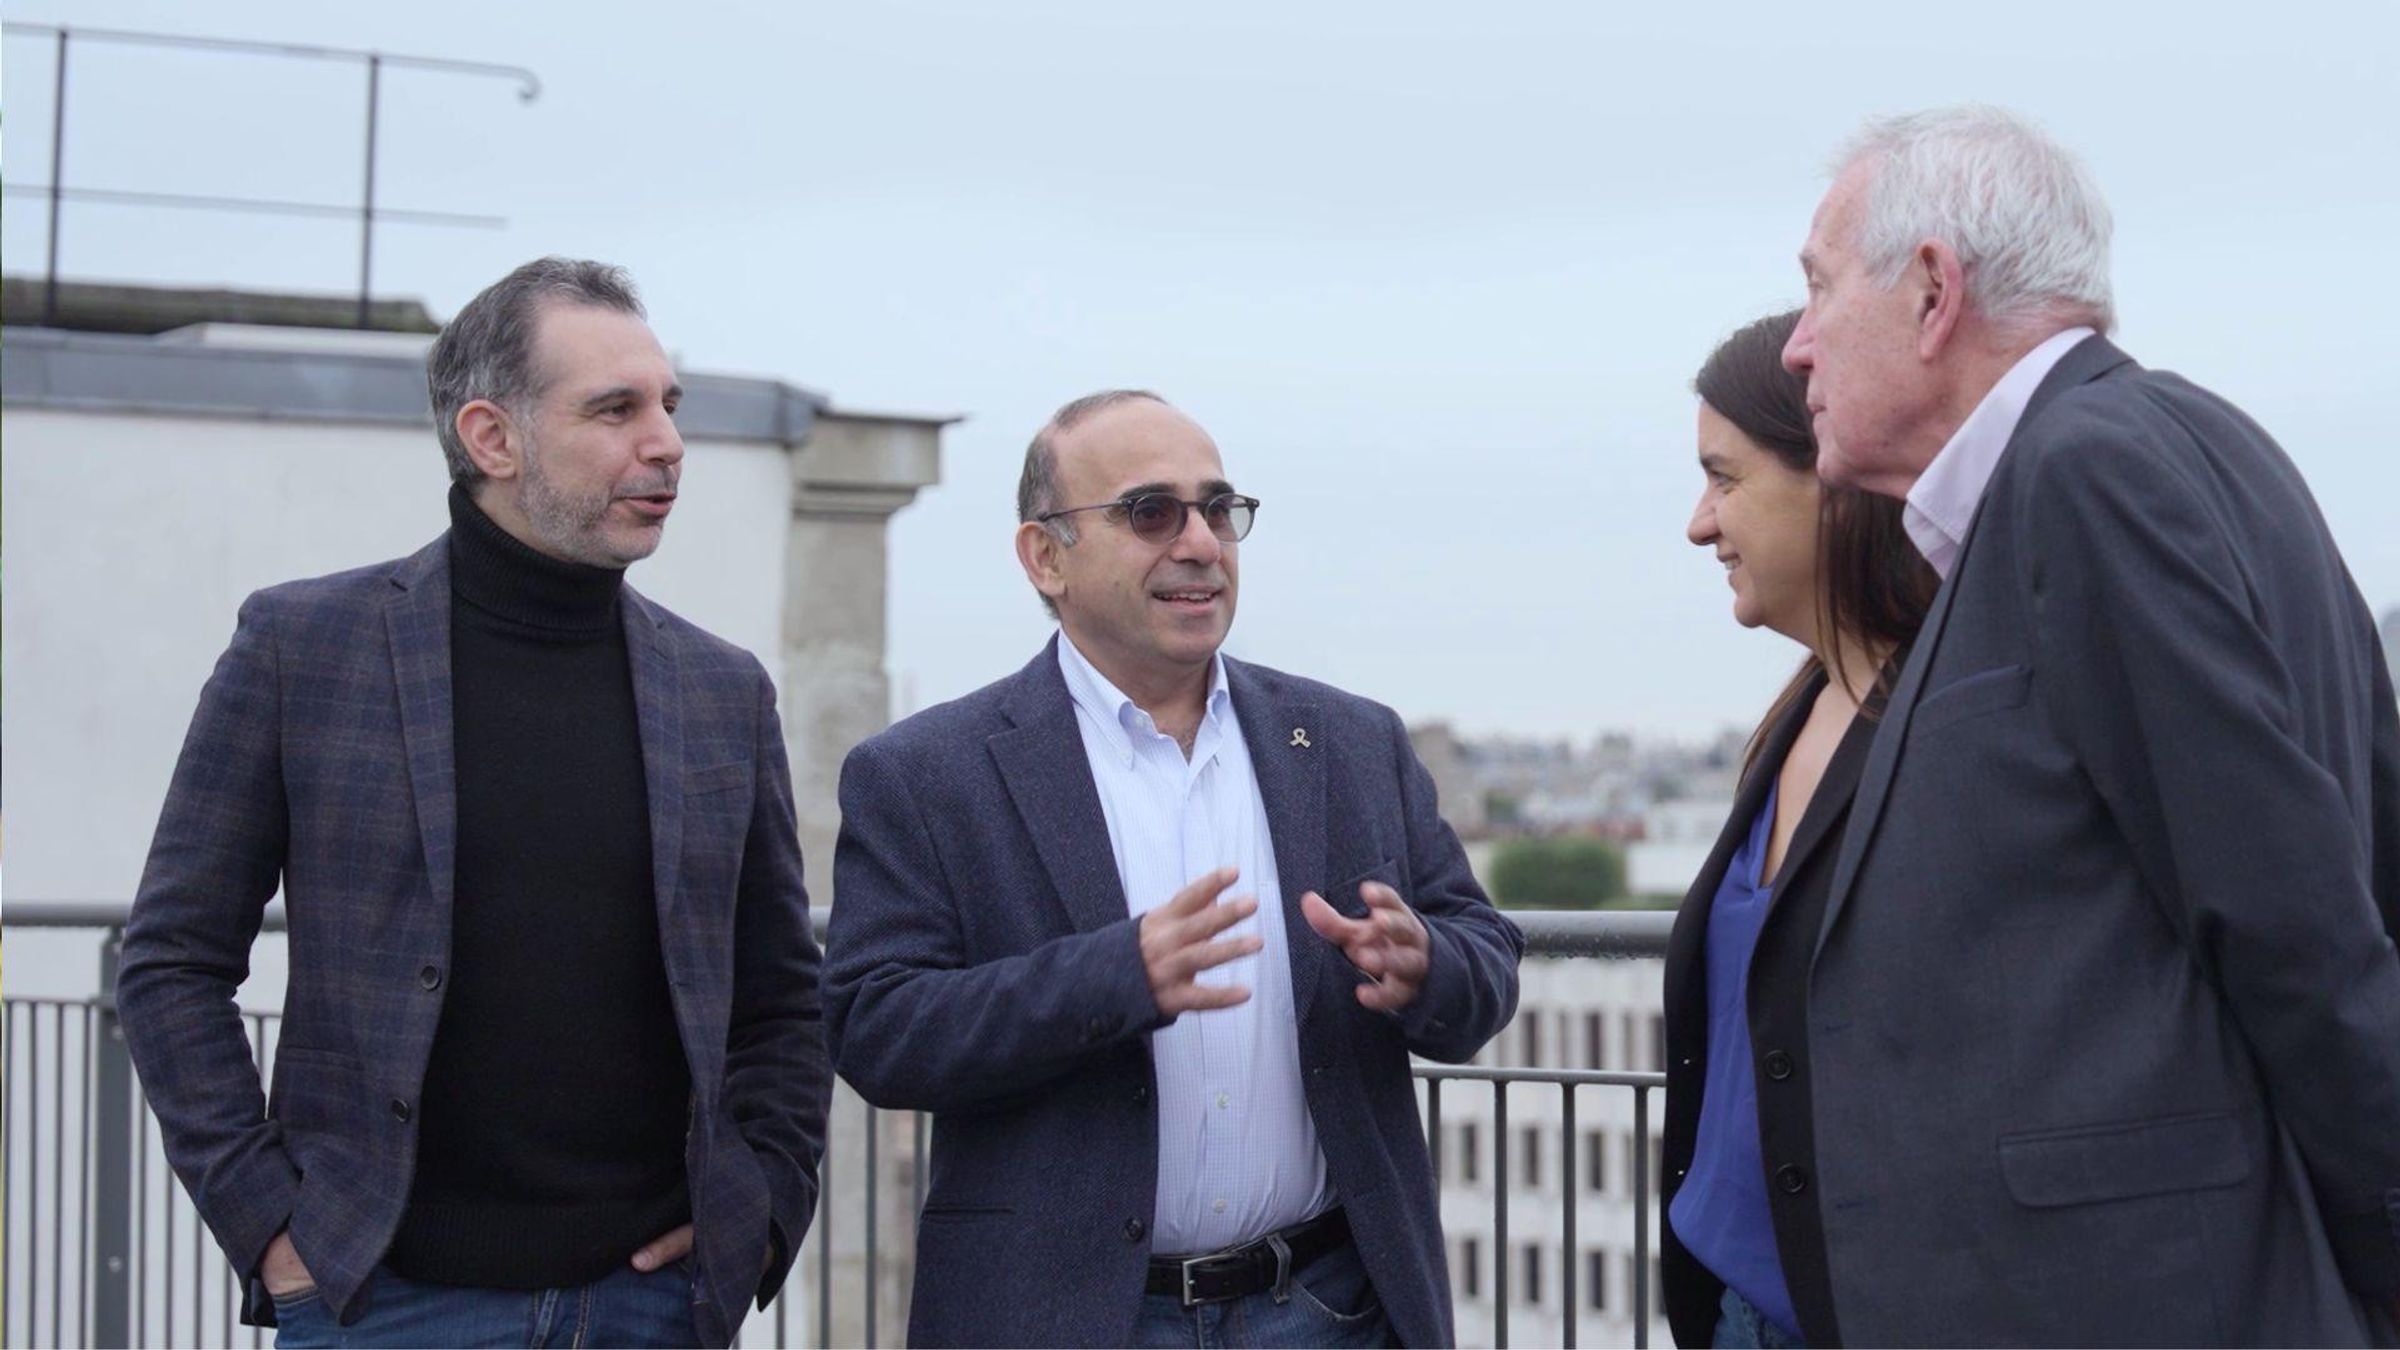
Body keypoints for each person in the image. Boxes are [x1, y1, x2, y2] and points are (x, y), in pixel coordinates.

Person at [117, 258, 831, 1349]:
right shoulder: (304, 649)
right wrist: (268, 1224)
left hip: (651, 1308)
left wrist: (763, 1214)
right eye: (615, 409)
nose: (667, 443)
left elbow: (782, 1000)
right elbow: (170, 961)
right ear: (493, 437)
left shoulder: (721, 691)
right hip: (385, 1301)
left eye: (668, 407)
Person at [1781, 105, 2400, 1344]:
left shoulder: (2085, 475)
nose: (1796, 347)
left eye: (1816, 288)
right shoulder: (2203, 446)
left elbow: (2292, 916)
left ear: (1932, 291)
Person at [824, 389, 1523, 1348]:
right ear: (1046, 555)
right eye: (1151, 512)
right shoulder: (928, 774)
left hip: (1330, 1307)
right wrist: (1117, 977)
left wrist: (1424, 966)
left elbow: (1485, 958)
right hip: (1066, 1318)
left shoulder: (1353, 742)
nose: (1200, 542)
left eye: (1219, 509)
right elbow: (877, 1029)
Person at [1660, 310, 1935, 1349]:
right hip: (1741, 1304)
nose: (1699, 521)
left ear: (1832, 477)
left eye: (1724, 477)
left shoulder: (1949, 731)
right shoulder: (1804, 710)